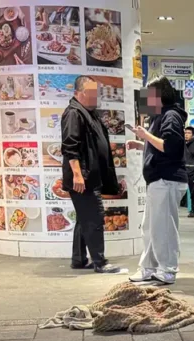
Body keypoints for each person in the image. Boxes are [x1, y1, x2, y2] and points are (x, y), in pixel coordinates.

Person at [126, 77, 189, 284]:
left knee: (163, 228)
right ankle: (149, 267)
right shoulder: (160, 117)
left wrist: (145, 137)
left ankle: (168, 270)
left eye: (149, 95)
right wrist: (140, 143)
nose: (145, 101)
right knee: (151, 227)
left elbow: (171, 147)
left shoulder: (171, 116)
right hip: (159, 180)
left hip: (167, 179)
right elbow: (160, 145)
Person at [62, 76, 122, 274]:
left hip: (92, 177)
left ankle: (79, 259)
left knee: (84, 218)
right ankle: (100, 262)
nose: (96, 97)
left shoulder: (90, 113)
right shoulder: (73, 113)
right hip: (83, 179)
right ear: (79, 93)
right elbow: (70, 147)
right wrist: (78, 175)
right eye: (92, 93)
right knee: (94, 218)